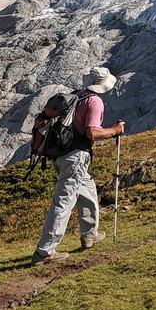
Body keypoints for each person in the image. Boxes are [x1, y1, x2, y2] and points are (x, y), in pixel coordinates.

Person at [32, 66, 125, 265]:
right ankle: (45, 251)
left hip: (62, 155)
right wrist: (115, 131)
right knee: (63, 202)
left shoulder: (76, 96)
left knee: (88, 191)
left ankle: (90, 234)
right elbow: (93, 132)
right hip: (76, 157)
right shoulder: (94, 101)